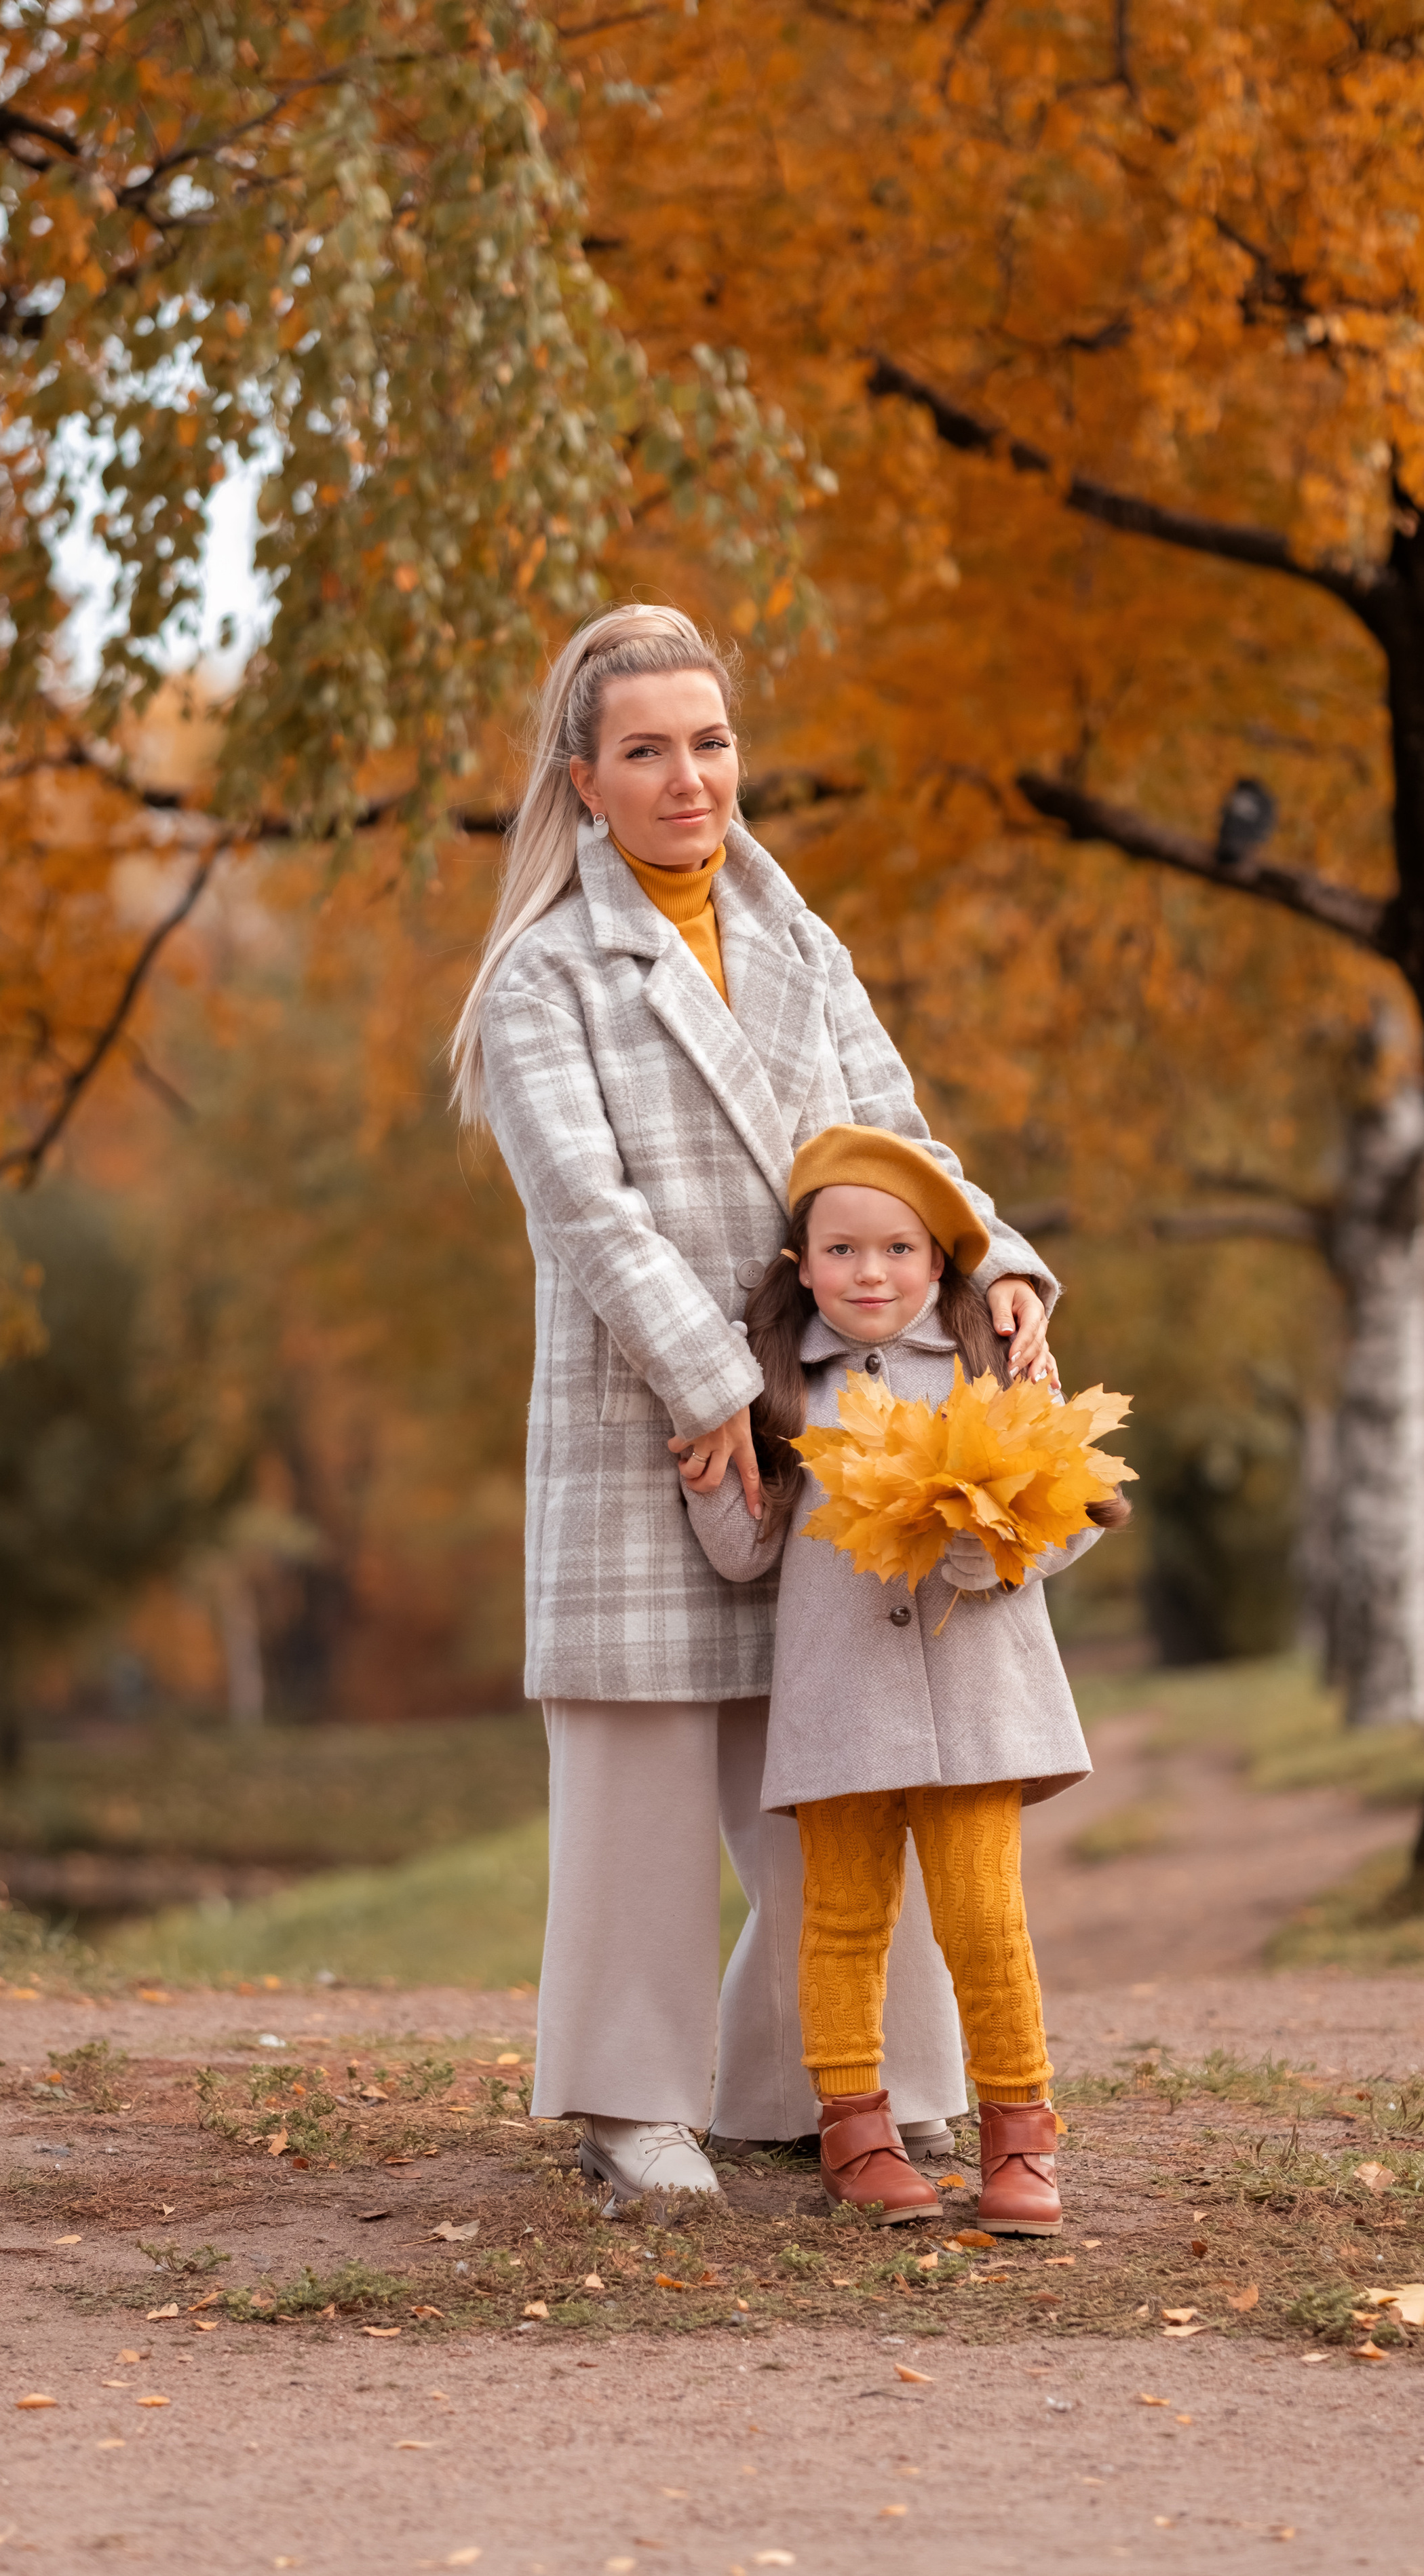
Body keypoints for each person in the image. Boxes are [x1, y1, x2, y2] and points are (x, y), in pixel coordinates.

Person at [450, 604, 1061, 2202]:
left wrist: (994, 1260)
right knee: (644, 1771)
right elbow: (587, 1214)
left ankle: (834, 2084)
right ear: (582, 780)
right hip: (651, 1415)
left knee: (847, 1764)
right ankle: (626, 2101)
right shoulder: (541, 978)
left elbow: (900, 1144)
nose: (686, 779)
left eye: (709, 742)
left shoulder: (801, 946)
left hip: (839, 1420)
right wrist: (716, 1377)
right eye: (645, 750)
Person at [682, 1126, 1132, 2229]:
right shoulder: (780, 1389)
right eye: (841, 1251)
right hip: (841, 1710)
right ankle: (856, 2134)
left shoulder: (992, 1362)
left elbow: (1075, 1508)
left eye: (897, 1250)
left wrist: (993, 1549)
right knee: (840, 1920)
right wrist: (707, 1479)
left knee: (984, 1919)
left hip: (980, 1707)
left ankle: (1021, 2138)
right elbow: (744, 1554)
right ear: (802, 1268)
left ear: (938, 1260)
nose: (870, 1273)